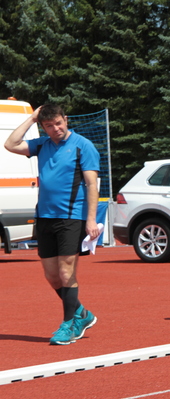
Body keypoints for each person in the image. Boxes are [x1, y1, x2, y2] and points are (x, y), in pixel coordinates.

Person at [4, 103, 101, 345]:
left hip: (72, 217)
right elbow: (10, 144)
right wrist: (31, 118)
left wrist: (91, 219)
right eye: (49, 125)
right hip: (45, 216)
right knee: (51, 276)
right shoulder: (41, 145)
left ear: (65, 120)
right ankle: (82, 314)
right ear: (43, 127)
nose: (55, 128)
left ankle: (69, 325)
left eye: (58, 123)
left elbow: (92, 185)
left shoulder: (83, 146)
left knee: (66, 272)